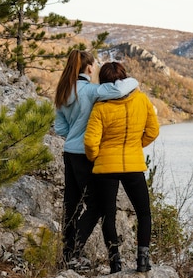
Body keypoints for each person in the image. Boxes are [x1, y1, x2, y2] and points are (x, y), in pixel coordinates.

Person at [54, 50, 139, 270]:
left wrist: (75, 134)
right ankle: (73, 253)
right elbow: (121, 87)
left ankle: (67, 254)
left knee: (71, 204)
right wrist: (134, 80)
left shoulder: (63, 91)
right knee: (96, 206)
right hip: (86, 155)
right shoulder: (93, 91)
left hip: (69, 154)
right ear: (90, 68)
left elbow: (60, 128)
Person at [84, 61, 160, 273]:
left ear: (104, 81)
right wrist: (135, 146)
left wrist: (96, 157)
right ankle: (143, 261)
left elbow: (90, 143)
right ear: (124, 77)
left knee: (108, 216)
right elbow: (153, 131)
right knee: (144, 213)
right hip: (133, 165)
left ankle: (115, 263)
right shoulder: (142, 99)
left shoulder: (100, 106)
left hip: (105, 168)